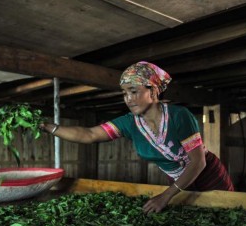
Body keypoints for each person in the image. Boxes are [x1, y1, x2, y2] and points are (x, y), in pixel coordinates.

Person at [40, 61, 234, 213]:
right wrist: (49, 127)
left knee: (227, 214)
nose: (128, 98)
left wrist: (165, 196)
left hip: (208, 175)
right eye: (124, 93)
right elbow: (89, 134)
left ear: (154, 90)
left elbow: (198, 162)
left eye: (134, 91)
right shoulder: (129, 123)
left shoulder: (178, 115)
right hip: (178, 182)